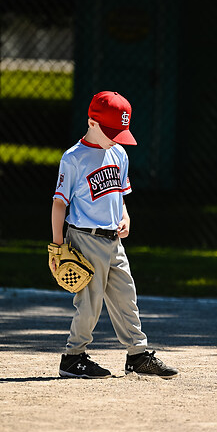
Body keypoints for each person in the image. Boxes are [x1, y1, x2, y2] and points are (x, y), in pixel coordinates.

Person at [51, 91, 178, 380]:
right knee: (90, 302)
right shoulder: (74, 158)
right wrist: (57, 246)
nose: (115, 138)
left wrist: (125, 216)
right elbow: (59, 203)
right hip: (84, 238)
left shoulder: (119, 153)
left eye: (120, 132)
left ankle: (137, 355)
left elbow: (119, 195)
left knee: (125, 297)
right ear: (91, 122)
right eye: (111, 131)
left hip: (113, 240)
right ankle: (73, 358)